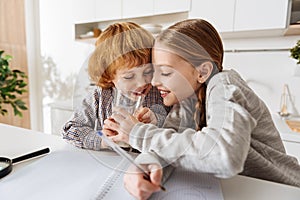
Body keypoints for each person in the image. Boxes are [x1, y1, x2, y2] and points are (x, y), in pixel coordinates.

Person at [104, 19, 300, 199]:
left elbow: (224, 154)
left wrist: (138, 133)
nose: (154, 82)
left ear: (202, 72)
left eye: (165, 72)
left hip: (284, 191)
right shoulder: (186, 100)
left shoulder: (224, 86)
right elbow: (171, 140)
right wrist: (146, 165)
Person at [62, 22, 170, 151]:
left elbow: (176, 130)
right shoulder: (100, 96)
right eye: (129, 77)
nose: (142, 83)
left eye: (148, 72)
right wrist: (102, 140)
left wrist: (156, 119)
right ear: (108, 75)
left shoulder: (158, 92)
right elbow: (71, 130)